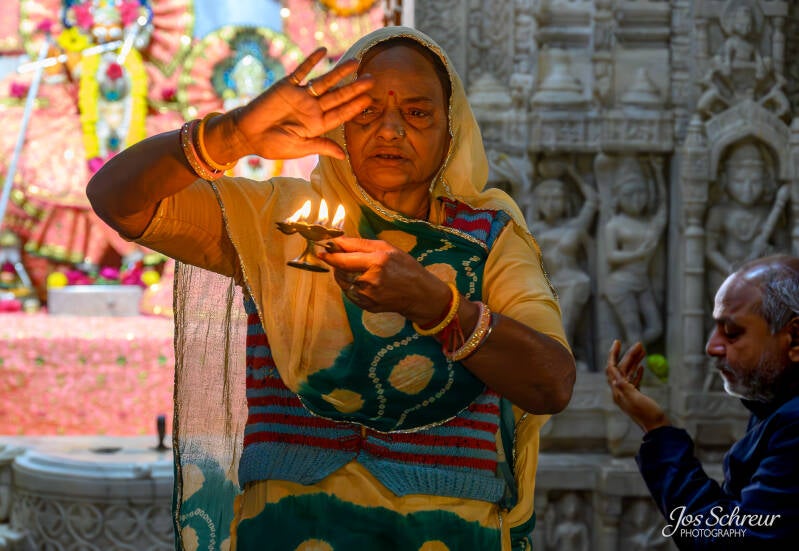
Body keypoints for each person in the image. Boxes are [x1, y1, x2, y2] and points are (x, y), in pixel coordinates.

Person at [87, 26, 575, 550]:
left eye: (417, 113)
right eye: (364, 112)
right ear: (338, 125)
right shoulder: (277, 219)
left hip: (446, 531)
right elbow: (117, 200)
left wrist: (433, 302)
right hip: (290, 527)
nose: (390, 131)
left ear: (452, 131)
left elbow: (551, 383)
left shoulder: (489, 239)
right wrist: (233, 135)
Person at [606, 254, 799, 549]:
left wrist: (657, 430)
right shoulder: (773, 400)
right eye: (716, 327)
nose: (712, 346)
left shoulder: (793, 424)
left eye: (732, 332)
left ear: (794, 338)